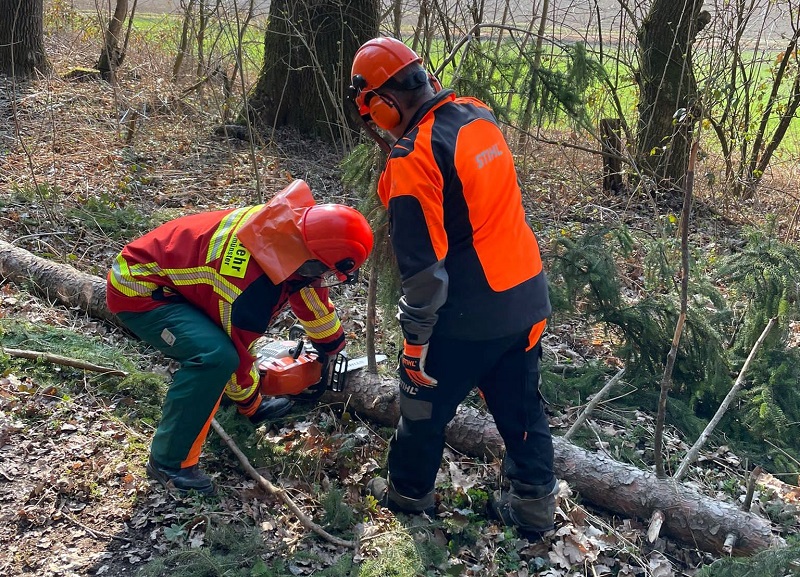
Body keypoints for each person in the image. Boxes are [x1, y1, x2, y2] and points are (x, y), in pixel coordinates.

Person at [349, 37, 557, 540]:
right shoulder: (476, 116)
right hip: (527, 293)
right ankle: (534, 505)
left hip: (471, 313)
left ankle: (408, 494)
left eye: (371, 111)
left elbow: (423, 272)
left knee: (422, 405)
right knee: (521, 403)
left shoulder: (414, 158)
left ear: (383, 103)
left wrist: (415, 344)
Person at [106, 180, 374, 495]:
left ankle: (209, 410)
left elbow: (306, 287)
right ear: (310, 258)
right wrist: (252, 404)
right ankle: (169, 463)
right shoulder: (248, 290)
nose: (322, 278)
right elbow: (236, 352)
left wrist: (331, 346)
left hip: (177, 279)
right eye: (325, 271)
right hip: (140, 289)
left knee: (222, 352)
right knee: (215, 357)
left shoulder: (287, 232)